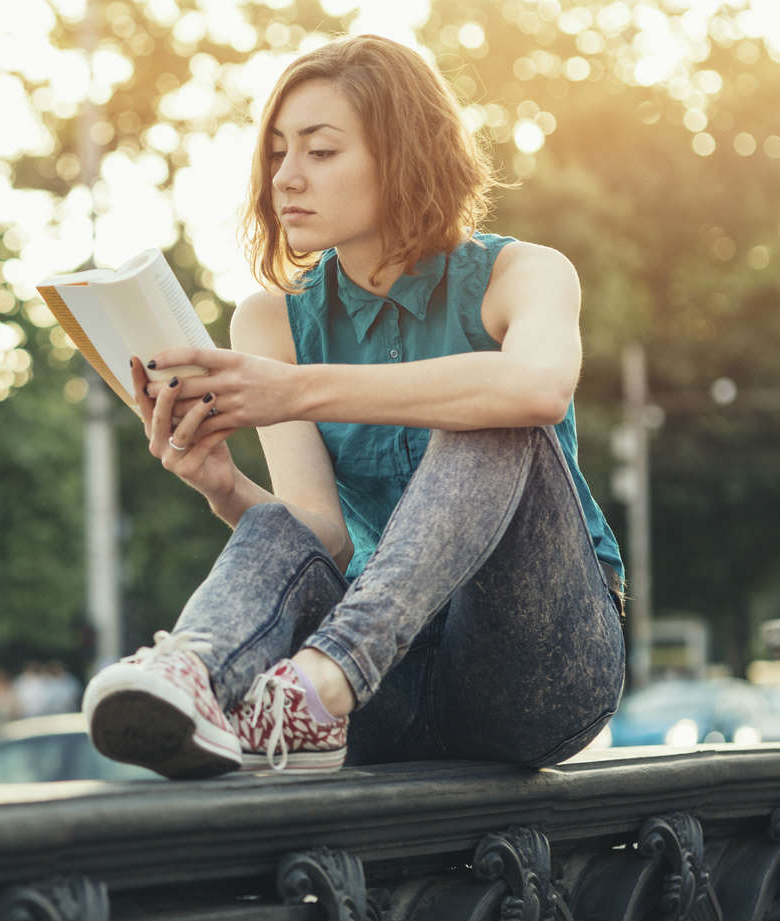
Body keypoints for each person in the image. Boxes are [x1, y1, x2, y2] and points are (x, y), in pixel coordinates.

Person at [83, 35, 625, 779]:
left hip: (537, 672)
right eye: (277, 153)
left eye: (320, 151)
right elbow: (323, 538)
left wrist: (295, 389)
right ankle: (201, 672)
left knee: (496, 413)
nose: (285, 178)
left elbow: (536, 387)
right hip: (383, 688)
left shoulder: (524, 273)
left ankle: (318, 682)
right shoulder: (270, 321)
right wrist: (220, 485)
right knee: (280, 524)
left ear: (402, 156)